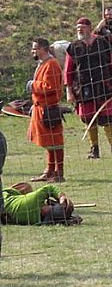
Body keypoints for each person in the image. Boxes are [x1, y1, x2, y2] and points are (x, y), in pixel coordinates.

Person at [63, 16, 112, 159]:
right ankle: (94, 148)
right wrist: (69, 91)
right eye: (78, 28)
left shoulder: (102, 43)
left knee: (108, 117)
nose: (80, 30)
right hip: (83, 89)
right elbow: (68, 70)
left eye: (82, 27)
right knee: (88, 118)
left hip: (103, 86)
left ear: (89, 28)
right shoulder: (73, 47)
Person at [27, 38, 65, 183]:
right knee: (47, 142)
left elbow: (51, 87)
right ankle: (49, 170)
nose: (33, 51)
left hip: (49, 109)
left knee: (55, 141)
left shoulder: (52, 64)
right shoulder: (43, 64)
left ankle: (59, 172)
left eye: (35, 48)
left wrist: (33, 85)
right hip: (40, 108)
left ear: (44, 49)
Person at [1, 183, 81, 226]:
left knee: (26, 186)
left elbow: (49, 188)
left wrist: (61, 196)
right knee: (26, 187)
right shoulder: (37, 220)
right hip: (7, 208)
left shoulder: (34, 199)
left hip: (6, 201)